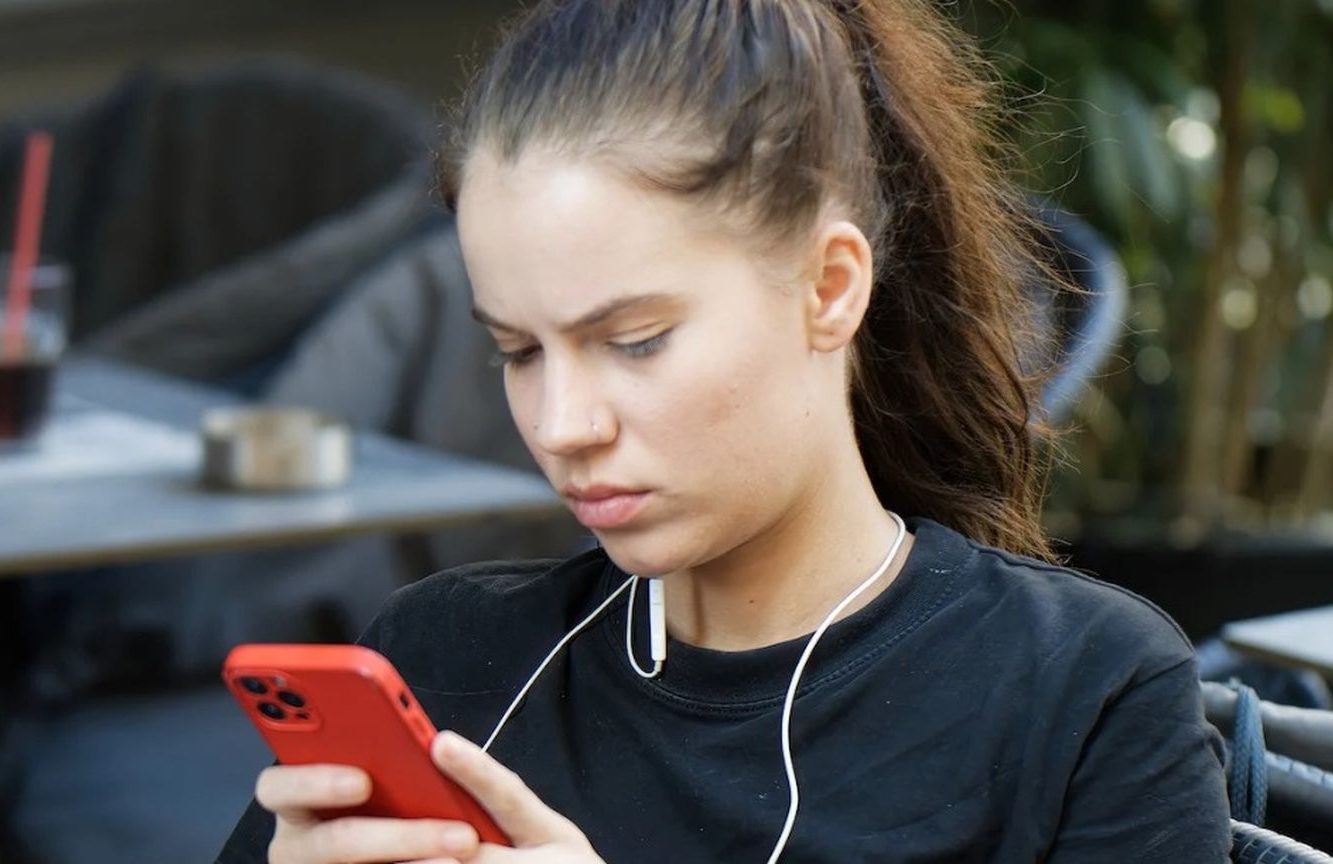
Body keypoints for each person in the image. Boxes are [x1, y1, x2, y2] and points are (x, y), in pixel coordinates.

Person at [216, 0, 1231, 861]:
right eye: (518, 352)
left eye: (638, 339)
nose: (563, 426)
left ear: (829, 289)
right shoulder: (443, 663)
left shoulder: (1084, 696)